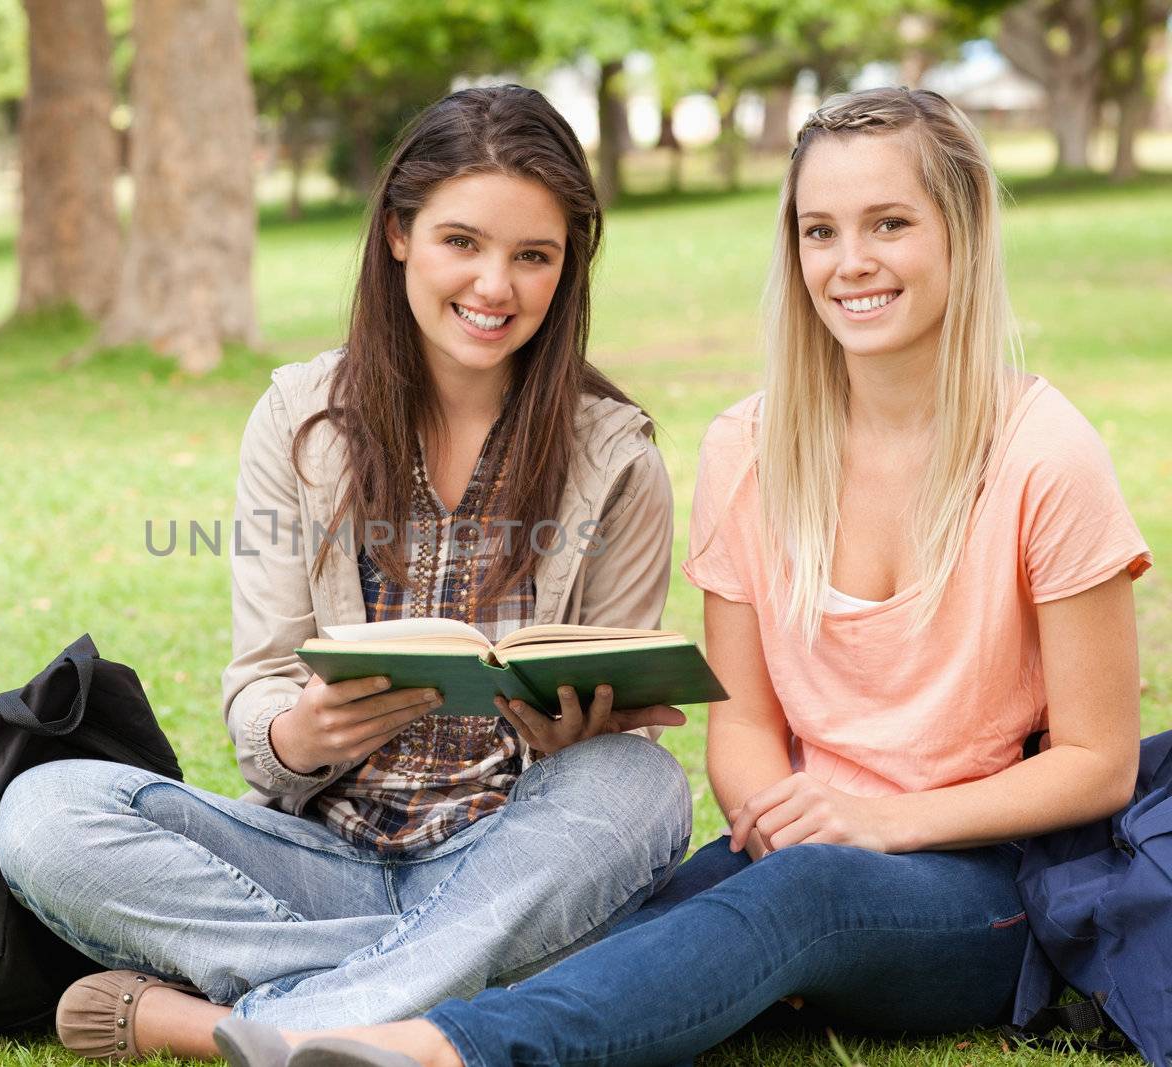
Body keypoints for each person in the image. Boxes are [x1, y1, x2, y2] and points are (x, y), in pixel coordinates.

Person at [209, 86, 1153, 1067]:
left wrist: (876, 821)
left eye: (889, 224)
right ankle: (238, 1019)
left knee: (791, 895)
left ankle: (432, 1052)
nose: (849, 261)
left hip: (985, 879)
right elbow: (744, 728)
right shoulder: (747, 445)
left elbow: (1098, 760)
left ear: (961, 231)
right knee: (610, 934)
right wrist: (772, 814)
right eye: (818, 230)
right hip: (794, 848)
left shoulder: (1045, 451)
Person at [0, 84, 693, 1062]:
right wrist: (299, 730)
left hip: (509, 854)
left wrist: (571, 734)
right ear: (400, 232)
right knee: (44, 811)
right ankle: (422, 997)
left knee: (641, 784)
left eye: (532, 256)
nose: (495, 285)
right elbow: (257, 686)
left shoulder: (616, 456)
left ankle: (268, 1029)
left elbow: (608, 709)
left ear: (566, 266)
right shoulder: (298, 418)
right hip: (315, 857)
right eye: (463, 242)